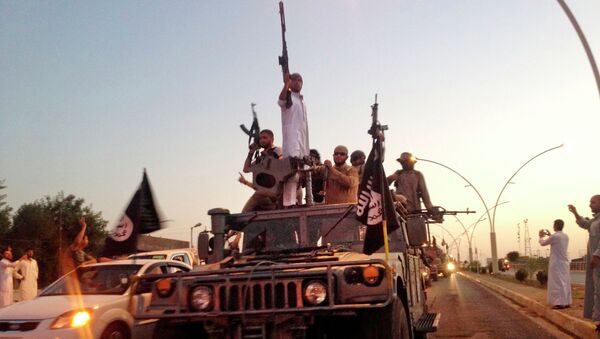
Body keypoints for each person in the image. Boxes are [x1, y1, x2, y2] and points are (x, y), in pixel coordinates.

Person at [278, 72, 309, 208]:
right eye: (294, 79)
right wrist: (286, 85)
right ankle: (288, 204)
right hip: (292, 141)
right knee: (291, 174)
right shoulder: (288, 96)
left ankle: (297, 202)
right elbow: (281, 101)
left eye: (300, 80)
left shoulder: (301, 100)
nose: (297, 82)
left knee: (302, 174)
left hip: (302, 142)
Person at [568, 195, 600, 320]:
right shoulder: (595, 220)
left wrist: (597, 255)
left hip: (597, 260)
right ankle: (595, 315)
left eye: (593, 202)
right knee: (595, 289)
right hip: (595, 261)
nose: (590, 205)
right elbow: (584, 224)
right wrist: (575, 212)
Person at [239, 129, 282, 212]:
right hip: (264, 193)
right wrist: (251, 153)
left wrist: (269, 156)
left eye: (264, 138)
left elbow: (282, 163)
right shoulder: (260, 157)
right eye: (260, 138)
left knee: (245, 212)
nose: (262, 140)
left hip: (275, 191)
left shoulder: (277, 150)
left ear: (271, 139)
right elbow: (246, 169)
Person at [538, 219, 572, 309]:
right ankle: (567, 301)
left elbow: (543, 243)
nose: (553, 226)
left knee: (557, 283)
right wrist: (550, 235)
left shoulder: (555, 236)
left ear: (556, 226)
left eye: (554, 225)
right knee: (565, 282)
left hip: (557, 263)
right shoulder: (565, 236)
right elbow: (555, 241)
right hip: (564, 262)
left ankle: (559, 303)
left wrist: (540, 236)